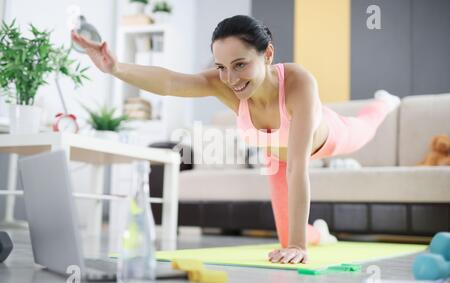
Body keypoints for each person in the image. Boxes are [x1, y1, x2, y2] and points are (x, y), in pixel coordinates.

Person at [71, 15, 400, 265]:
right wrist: (115, 68)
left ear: (267, 54)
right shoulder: (225, 83)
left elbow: (298, 169)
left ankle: (384, 102)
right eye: (222, 67)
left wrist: (298, 248)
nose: (230, 79)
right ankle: (319, 233)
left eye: (240, 64)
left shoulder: (299, 82)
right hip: (277, 160)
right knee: (287, 238)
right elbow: (172, 82)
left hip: (327, 138)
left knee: (364, 128)